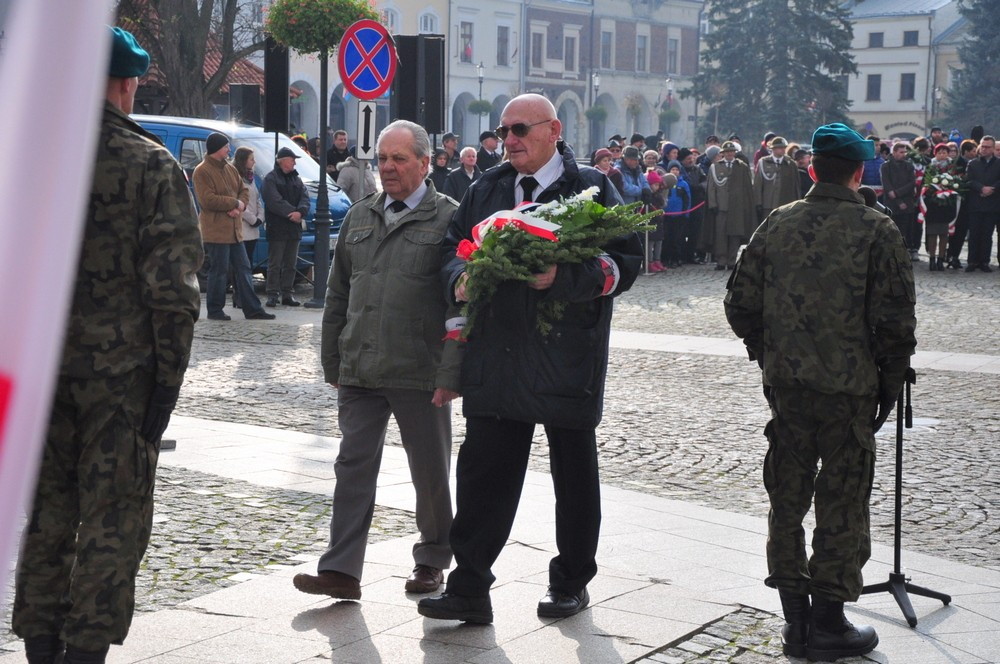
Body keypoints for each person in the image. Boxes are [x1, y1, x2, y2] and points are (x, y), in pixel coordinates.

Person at [12, 27, 203, 664]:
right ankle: (84, 649)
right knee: (113, 517)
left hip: (39, 373)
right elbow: (172, 291)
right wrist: (167, 385)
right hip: (121, 376)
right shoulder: (150, 163)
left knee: (46, 512)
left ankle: (40, 643)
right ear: (125, 84)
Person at [417, 93, 643, 624]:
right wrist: (460, 276)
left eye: (520, 129)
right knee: (484, 473)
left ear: (553, 130)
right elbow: (452, 247)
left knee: (574, 474)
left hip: (567, 351)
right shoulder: (487, 187)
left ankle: (571, 582)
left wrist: (563, 277)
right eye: (504, 131)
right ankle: (470, 587)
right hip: (497, 350)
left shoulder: (592, 187)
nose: (509, 140)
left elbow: (625, 261)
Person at [724, 123, 916, 662]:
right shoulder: (877, 229)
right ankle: (829, 622)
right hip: (850, 390)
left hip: (788, 388)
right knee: (843, 500)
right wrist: (889, 386)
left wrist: (770, 353)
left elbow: (739, 304)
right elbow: (896, 321)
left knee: (786, 497)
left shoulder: (777, 222)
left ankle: (796, 621)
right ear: (858, 172)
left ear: (812, 169)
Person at [292, 120, 461, 601]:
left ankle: (432, 559)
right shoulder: (360, 215)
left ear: (424, 164)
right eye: (382, 158)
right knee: (352, 467)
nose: (387, 167)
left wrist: (451, 371)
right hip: (361, 366)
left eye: (399, 159)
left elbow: (461, 306)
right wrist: (333, 360)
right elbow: (337, 293)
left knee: (429, 471)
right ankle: (341, 570)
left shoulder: (448, 218)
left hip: (419, 369)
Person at [193, 132, 274, 321]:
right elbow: (207, 200)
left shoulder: (230, 168)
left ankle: (253, 309)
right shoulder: (202, 171)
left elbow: (243, 190)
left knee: (244, 268)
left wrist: (240, 206)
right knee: (219, 271)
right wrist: (234, 203)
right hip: (216, 231)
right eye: (225, 147)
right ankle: (215, 310)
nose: (229, 150)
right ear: (216, 149)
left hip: (235, 231)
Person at [261, 146, 310, 307]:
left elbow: (305, 197)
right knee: (275, 263)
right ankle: (272, 293)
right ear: (282, 161)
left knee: (291, 264)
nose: (295, 163)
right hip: (277, 227)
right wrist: (293, 213)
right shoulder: (271, 179)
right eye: (292, 160)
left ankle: (287, 293)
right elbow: (273, 200)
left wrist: (300, 212)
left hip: (293, 228)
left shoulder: (296, 179)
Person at [707, 141, 755, 270]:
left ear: (735, 153)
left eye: (732, 151)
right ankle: (721, 260)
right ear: (723, 153)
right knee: (720, 234)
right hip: (721, 206)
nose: (729, 154)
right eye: (727, 152)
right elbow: (711, 187)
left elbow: (747, 187)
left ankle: (732, 260)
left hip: (737, 206)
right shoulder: (715, 167)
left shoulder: (742, 167)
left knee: (735, 234)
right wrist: (713, 204)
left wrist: (746, 205)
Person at [965, 135, 1000, 272]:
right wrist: (981, 188)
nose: (984, 149)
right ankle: (972, 261)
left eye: (987, 147)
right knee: (974, 234)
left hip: (992, 204)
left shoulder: (998, 163)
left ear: (993, 148)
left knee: (987, 235)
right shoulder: (973, 163)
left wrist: (993, 189)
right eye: (982, 146)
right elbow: (969, 180)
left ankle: (984, 261)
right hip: (976, 203)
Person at [922, 143, 959, 271]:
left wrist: (948, 188)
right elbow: (925, 184)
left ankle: (941, 259)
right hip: (933, 205)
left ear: (948, 154)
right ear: (935, 154)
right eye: (939, 152)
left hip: (946, 205)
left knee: (944, 233)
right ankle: (932, 259)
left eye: (944, 152)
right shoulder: (930, 166)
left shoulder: (952, 167)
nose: (942, 155)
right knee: (932, 233)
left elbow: (957, 182)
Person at [233, 147, 264, 298]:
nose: (254, 161)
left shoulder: (251, 178)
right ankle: (239, 294)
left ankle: (246, 294)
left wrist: (260, 217)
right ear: (243, 160)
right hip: (242, 226)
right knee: (241, 264)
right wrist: (252, 218)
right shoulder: (236, 177)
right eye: (251, 159)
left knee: (249, 263)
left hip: (254, 228)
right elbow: (237, 202)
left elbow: (257, 199)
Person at [881, 143, 919, 262]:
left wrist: (898, 193)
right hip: (891, 204)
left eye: (905, 152)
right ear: (894, 152)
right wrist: (897, 200)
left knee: (906, 230)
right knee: (891, 230)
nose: (904, 154)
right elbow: (887, 185)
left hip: (907, 202)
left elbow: (911, 183)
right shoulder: (885, 166)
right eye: (901, 152)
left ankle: (905, 252)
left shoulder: (909, 166)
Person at [947, 139, 979, 269]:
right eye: (973, 151)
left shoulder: (975, 163)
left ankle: (955, 256)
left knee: (962, 232)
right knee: (955, 231)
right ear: (966, 151)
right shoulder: (957, 163)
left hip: (969, 203)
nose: (975, 153)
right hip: (957, 202)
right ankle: (950, 255)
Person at [754, 136, 801, 222]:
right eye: (780, 148)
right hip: (768, 204)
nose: (783, 150)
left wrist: (796, 202)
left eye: (784, 147)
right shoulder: (763, 162)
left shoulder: (791, 164)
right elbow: (758, 184)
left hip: (785, 204)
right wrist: (758, 203)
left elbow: (796, 186)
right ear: (773, 149)